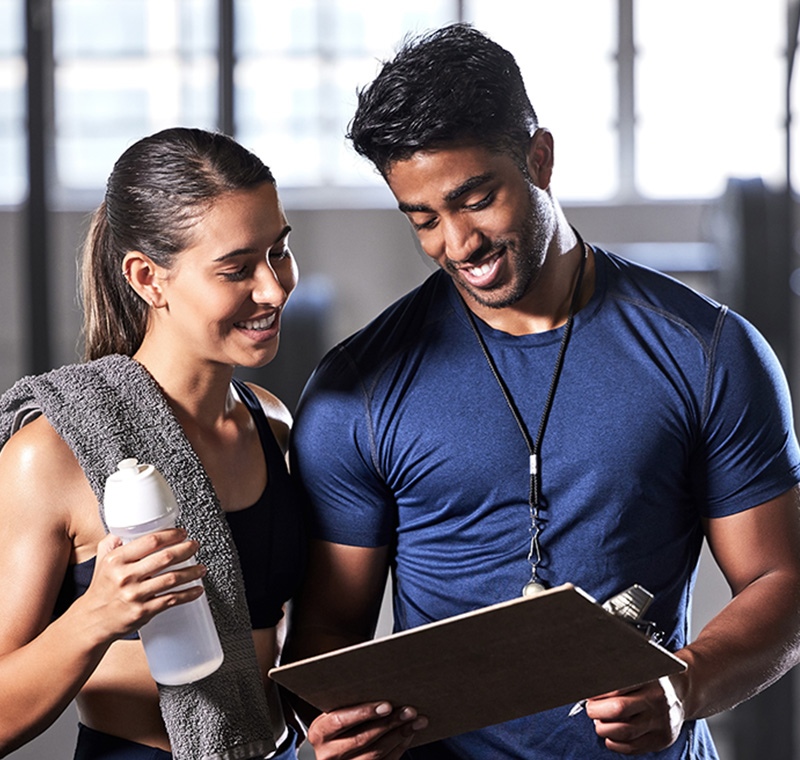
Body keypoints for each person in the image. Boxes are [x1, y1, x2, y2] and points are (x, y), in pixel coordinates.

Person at [284, 23, 800, 760]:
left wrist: (685, 686)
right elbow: (328, 633)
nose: (457, 243)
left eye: (475, 199)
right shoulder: (356, 388)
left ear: (540, 158)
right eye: (424, 219)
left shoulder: (708, 351)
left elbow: (782, 580)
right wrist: (332, 725)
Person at [0, 127, 306, 759]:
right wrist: (98, 613)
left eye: (279, 252)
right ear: (147, 278)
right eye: (236, 269)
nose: (274, 289)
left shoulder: (270, 422)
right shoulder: (51, 455)